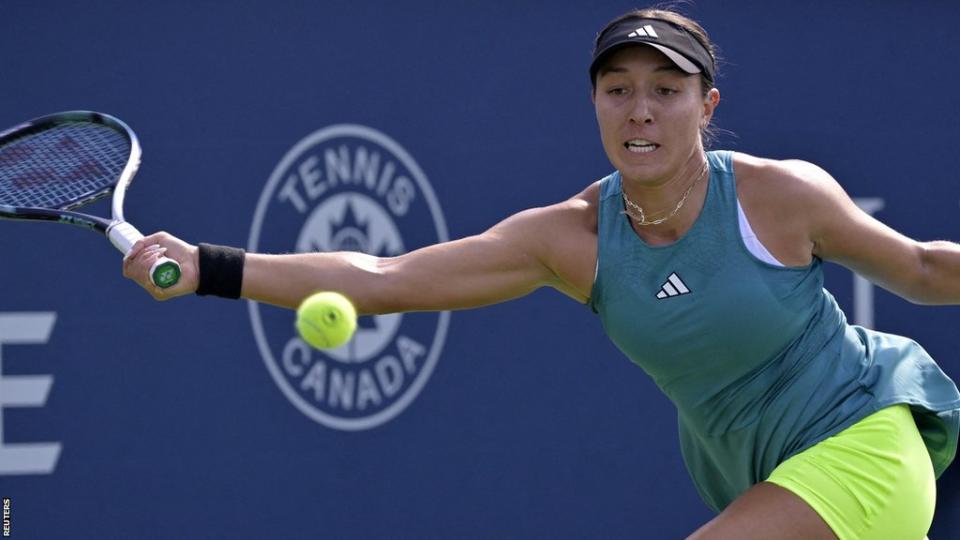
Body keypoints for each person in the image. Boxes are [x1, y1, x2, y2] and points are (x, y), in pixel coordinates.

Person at [123, 7, 960, 540]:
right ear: (593, 102)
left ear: (706, 106)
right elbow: (383, 277)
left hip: (863, 442)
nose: (640, 110)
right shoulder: (569, 240)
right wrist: (209, 268)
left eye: (667, 90)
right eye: (618, 88)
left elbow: (921, 269)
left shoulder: (779, 195)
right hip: (759, 475)